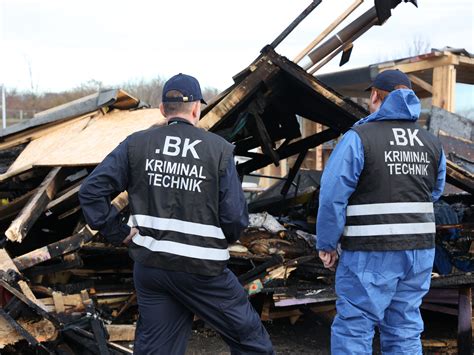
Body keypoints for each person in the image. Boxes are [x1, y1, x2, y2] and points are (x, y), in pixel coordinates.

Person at [79, 73, 274, 355]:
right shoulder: (218, 150)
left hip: (151, 268)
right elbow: (234, 217)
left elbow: (91, 191)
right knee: (253, 345)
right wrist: (224, 239)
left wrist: (117, 232)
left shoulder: (136, 144)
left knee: (157, 350)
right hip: (203, 272)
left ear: (162, 109)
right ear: (196, 108)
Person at [316, 69, 446, 354]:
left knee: (355, 328)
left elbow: (332, 196)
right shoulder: (431, 143)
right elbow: (434, 192)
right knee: (405, 328)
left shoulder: (359, 138)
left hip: (370, 252)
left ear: (375, 95)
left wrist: (327, 243)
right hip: (419, 252)